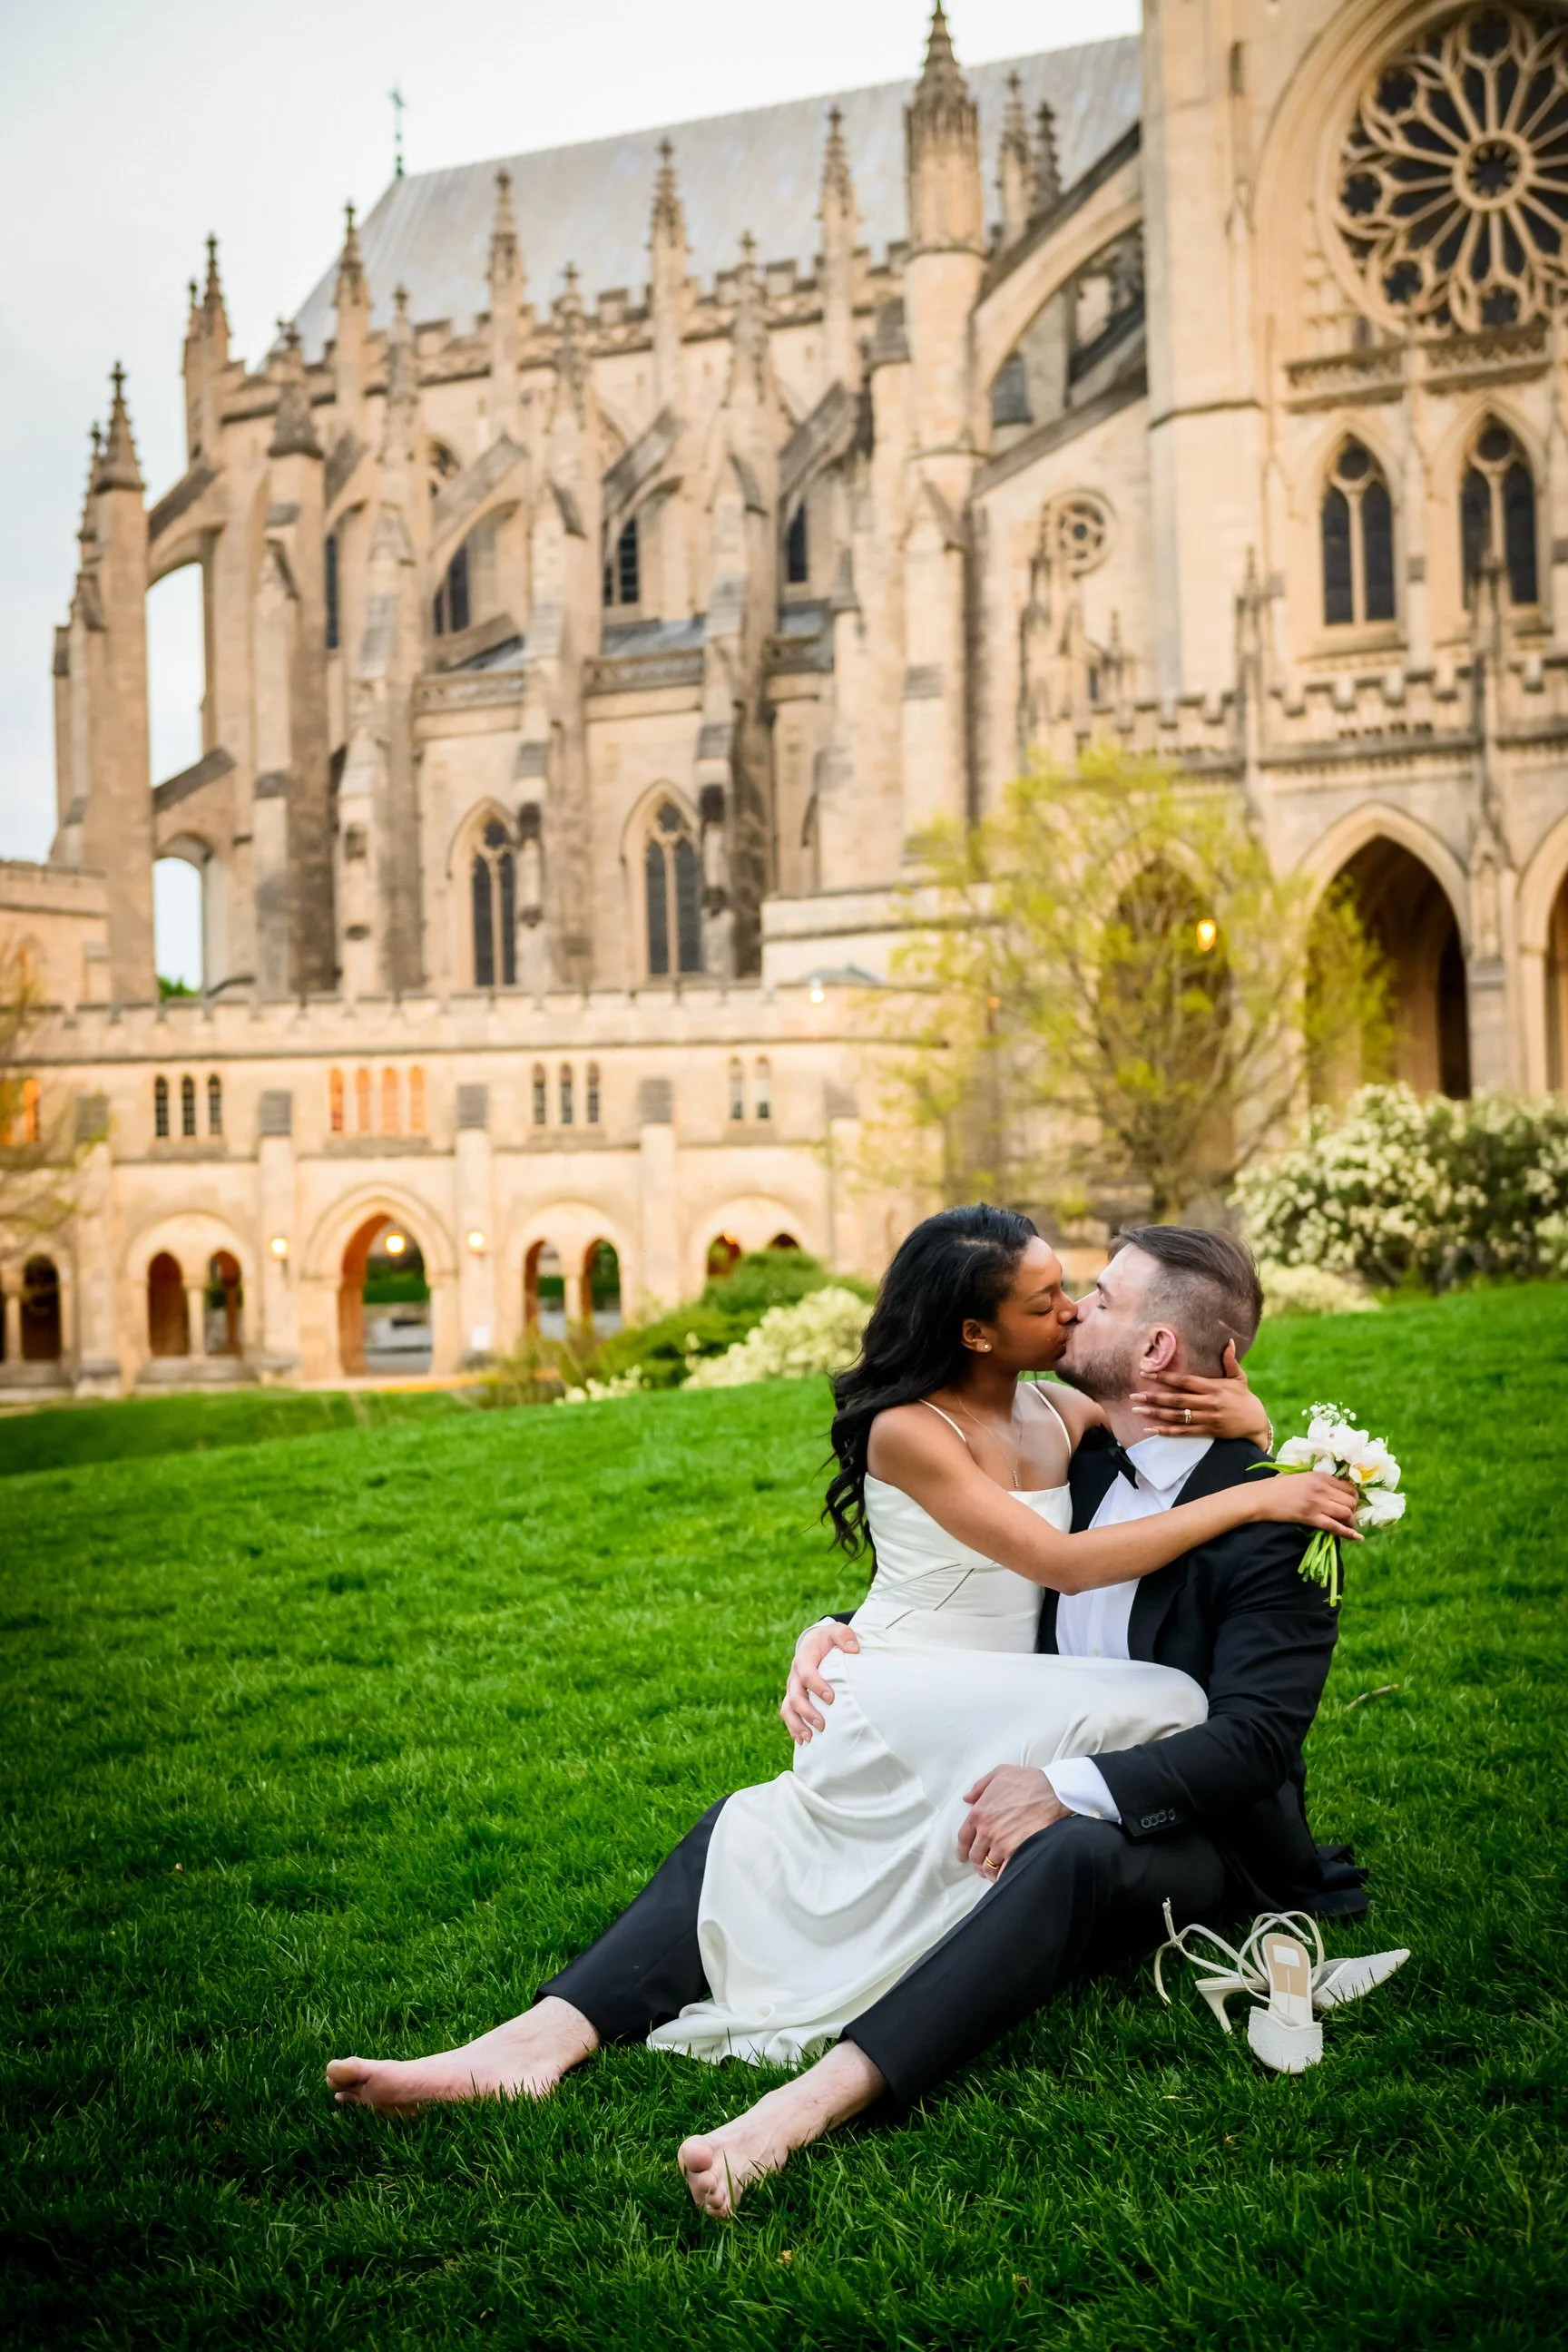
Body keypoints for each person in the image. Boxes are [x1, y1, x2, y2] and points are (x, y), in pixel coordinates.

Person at [328, 1211, 1361, 2220]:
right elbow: (976, 1573)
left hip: (1194, 1834)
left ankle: (800, 2109)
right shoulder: (1082, 1453)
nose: (1074, 1308)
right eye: (1059, 1295)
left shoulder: (1283, 1517)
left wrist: (1064, 1789)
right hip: (1006, 1730)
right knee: (761, 1823)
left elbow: (1256, 1743)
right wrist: (842, 1629)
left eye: (1093, 1297)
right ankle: (532, 2043)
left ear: (1160, 1344)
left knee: (1072, 1854)